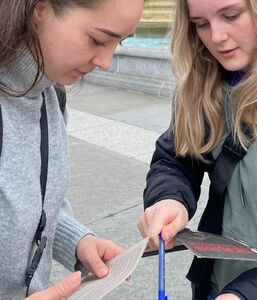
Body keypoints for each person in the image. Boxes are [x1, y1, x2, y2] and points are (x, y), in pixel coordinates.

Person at [138, 0, 257, 299]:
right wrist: (169, 198)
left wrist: (252, 293)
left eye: (231, 16)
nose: (216, 37)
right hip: (218, 286)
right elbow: (175, 158)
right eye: (201, 24)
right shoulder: (203, 88)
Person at [0, 0, 144, 299]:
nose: (106, 61)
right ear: (39, 9)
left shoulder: (50, 97)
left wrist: (75, 239)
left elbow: (27, 196)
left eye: (119, 43)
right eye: (99, 40)